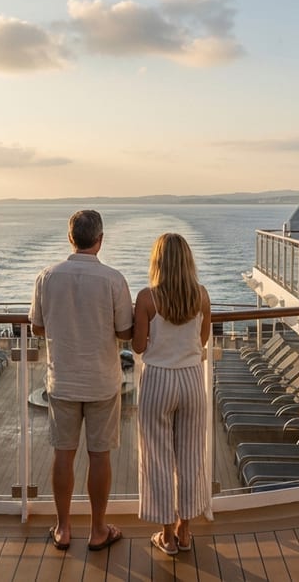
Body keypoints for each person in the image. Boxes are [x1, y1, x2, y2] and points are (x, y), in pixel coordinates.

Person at [29, 210, 133, 552]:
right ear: (100, 240)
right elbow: (124, 331)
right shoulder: (114, 280)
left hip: (63, 380)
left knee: (63, 455)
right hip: (103, 381)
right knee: (99, 456)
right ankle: (99, 529)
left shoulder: (47, 277)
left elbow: (37, 327)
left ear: (70, 238)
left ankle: (62, 528)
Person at [131, 233, 211, 556]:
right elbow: (202, 341)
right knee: (191, 457)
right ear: (188, 261)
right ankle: (186, 530)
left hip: (158, 380)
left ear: (158, 262)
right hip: (192, 379)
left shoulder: (147, 299)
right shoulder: (201, 296)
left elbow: (137, 346)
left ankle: (166, 534)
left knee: (157, 458)